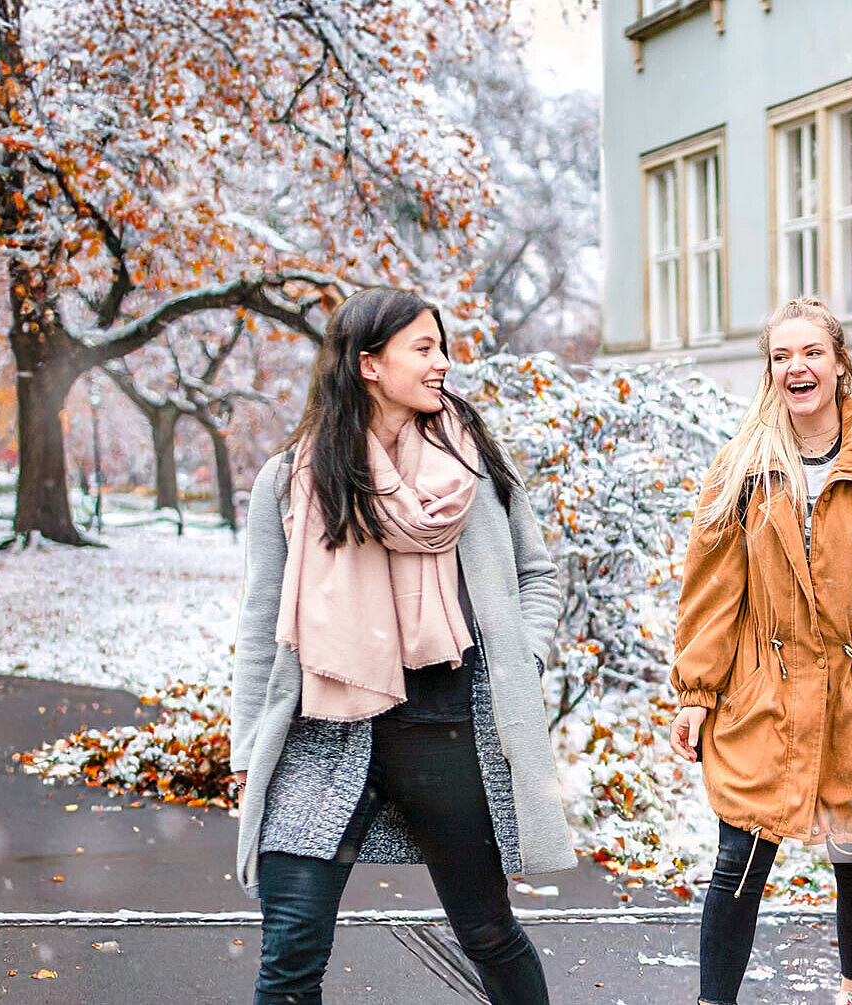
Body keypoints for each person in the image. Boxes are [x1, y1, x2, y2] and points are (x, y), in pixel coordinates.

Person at [228, 287, 573, 1005]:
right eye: (424, 348)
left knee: (487, 931)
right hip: (321, 731)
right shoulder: (291, 478)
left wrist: (521, 658)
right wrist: (244, 756)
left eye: (441, 346)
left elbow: (538, 574)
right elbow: (261, 630)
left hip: (443, 728)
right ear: (369, 364)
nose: (443, 362)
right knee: (291, 948)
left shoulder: (470, 469)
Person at [668, 298, 852, 1005]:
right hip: (763, 693)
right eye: (780, 356)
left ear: (839, 363)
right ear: (769, 370)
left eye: (810, 353)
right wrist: (695, 692)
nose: (795, 367)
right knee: (738, 857)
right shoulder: (740, 467)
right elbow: (712, 595)